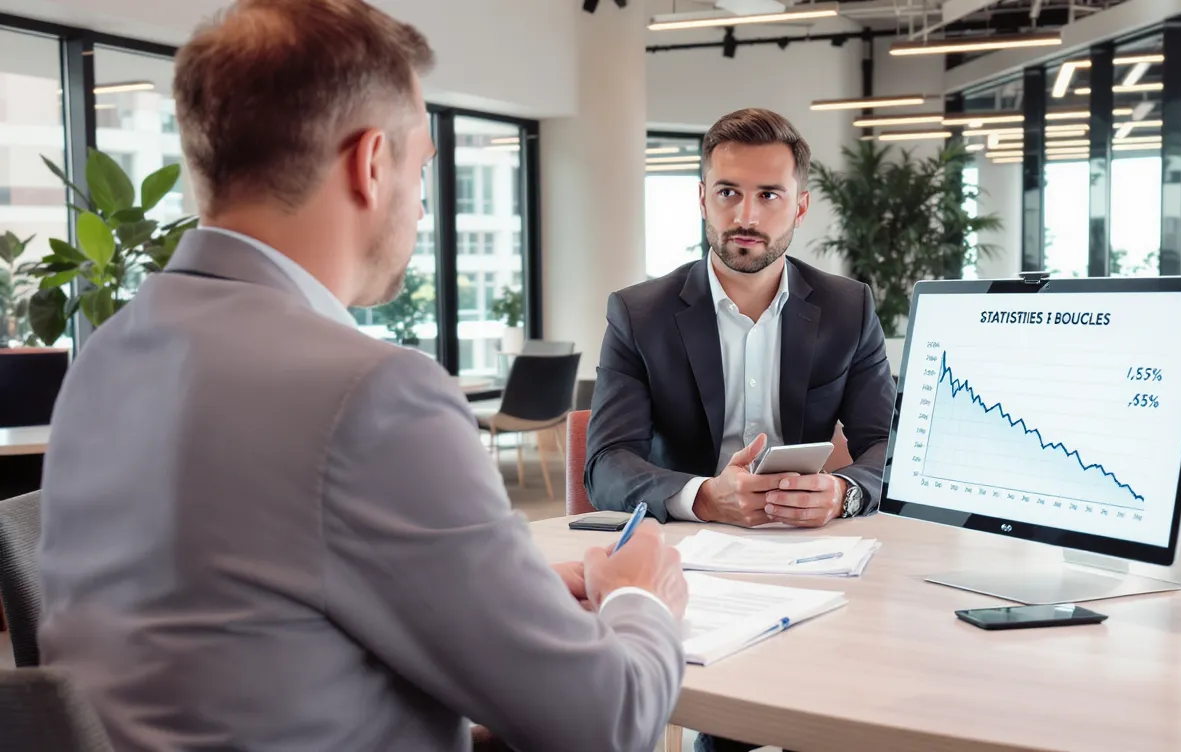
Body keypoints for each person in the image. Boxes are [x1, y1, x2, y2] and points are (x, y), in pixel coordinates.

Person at [37, 2, 687, 750]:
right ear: (371, 163)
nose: (421, 204)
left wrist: (514, 600)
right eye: (422, 168)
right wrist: (641, 597)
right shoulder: (371, 393)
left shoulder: (107, 357)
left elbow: (252, 612)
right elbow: (606, 722)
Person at [585, 108, 896, 532]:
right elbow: (606, 463)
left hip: (811, 541)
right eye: (728, 192)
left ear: (800, 208)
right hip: (685, 538)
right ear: (703, 199)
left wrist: (845, 492)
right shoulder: (639, 315)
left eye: (768, 195)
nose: (746, 217)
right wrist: (704, 498)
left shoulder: (848, 308)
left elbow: (887, 445)